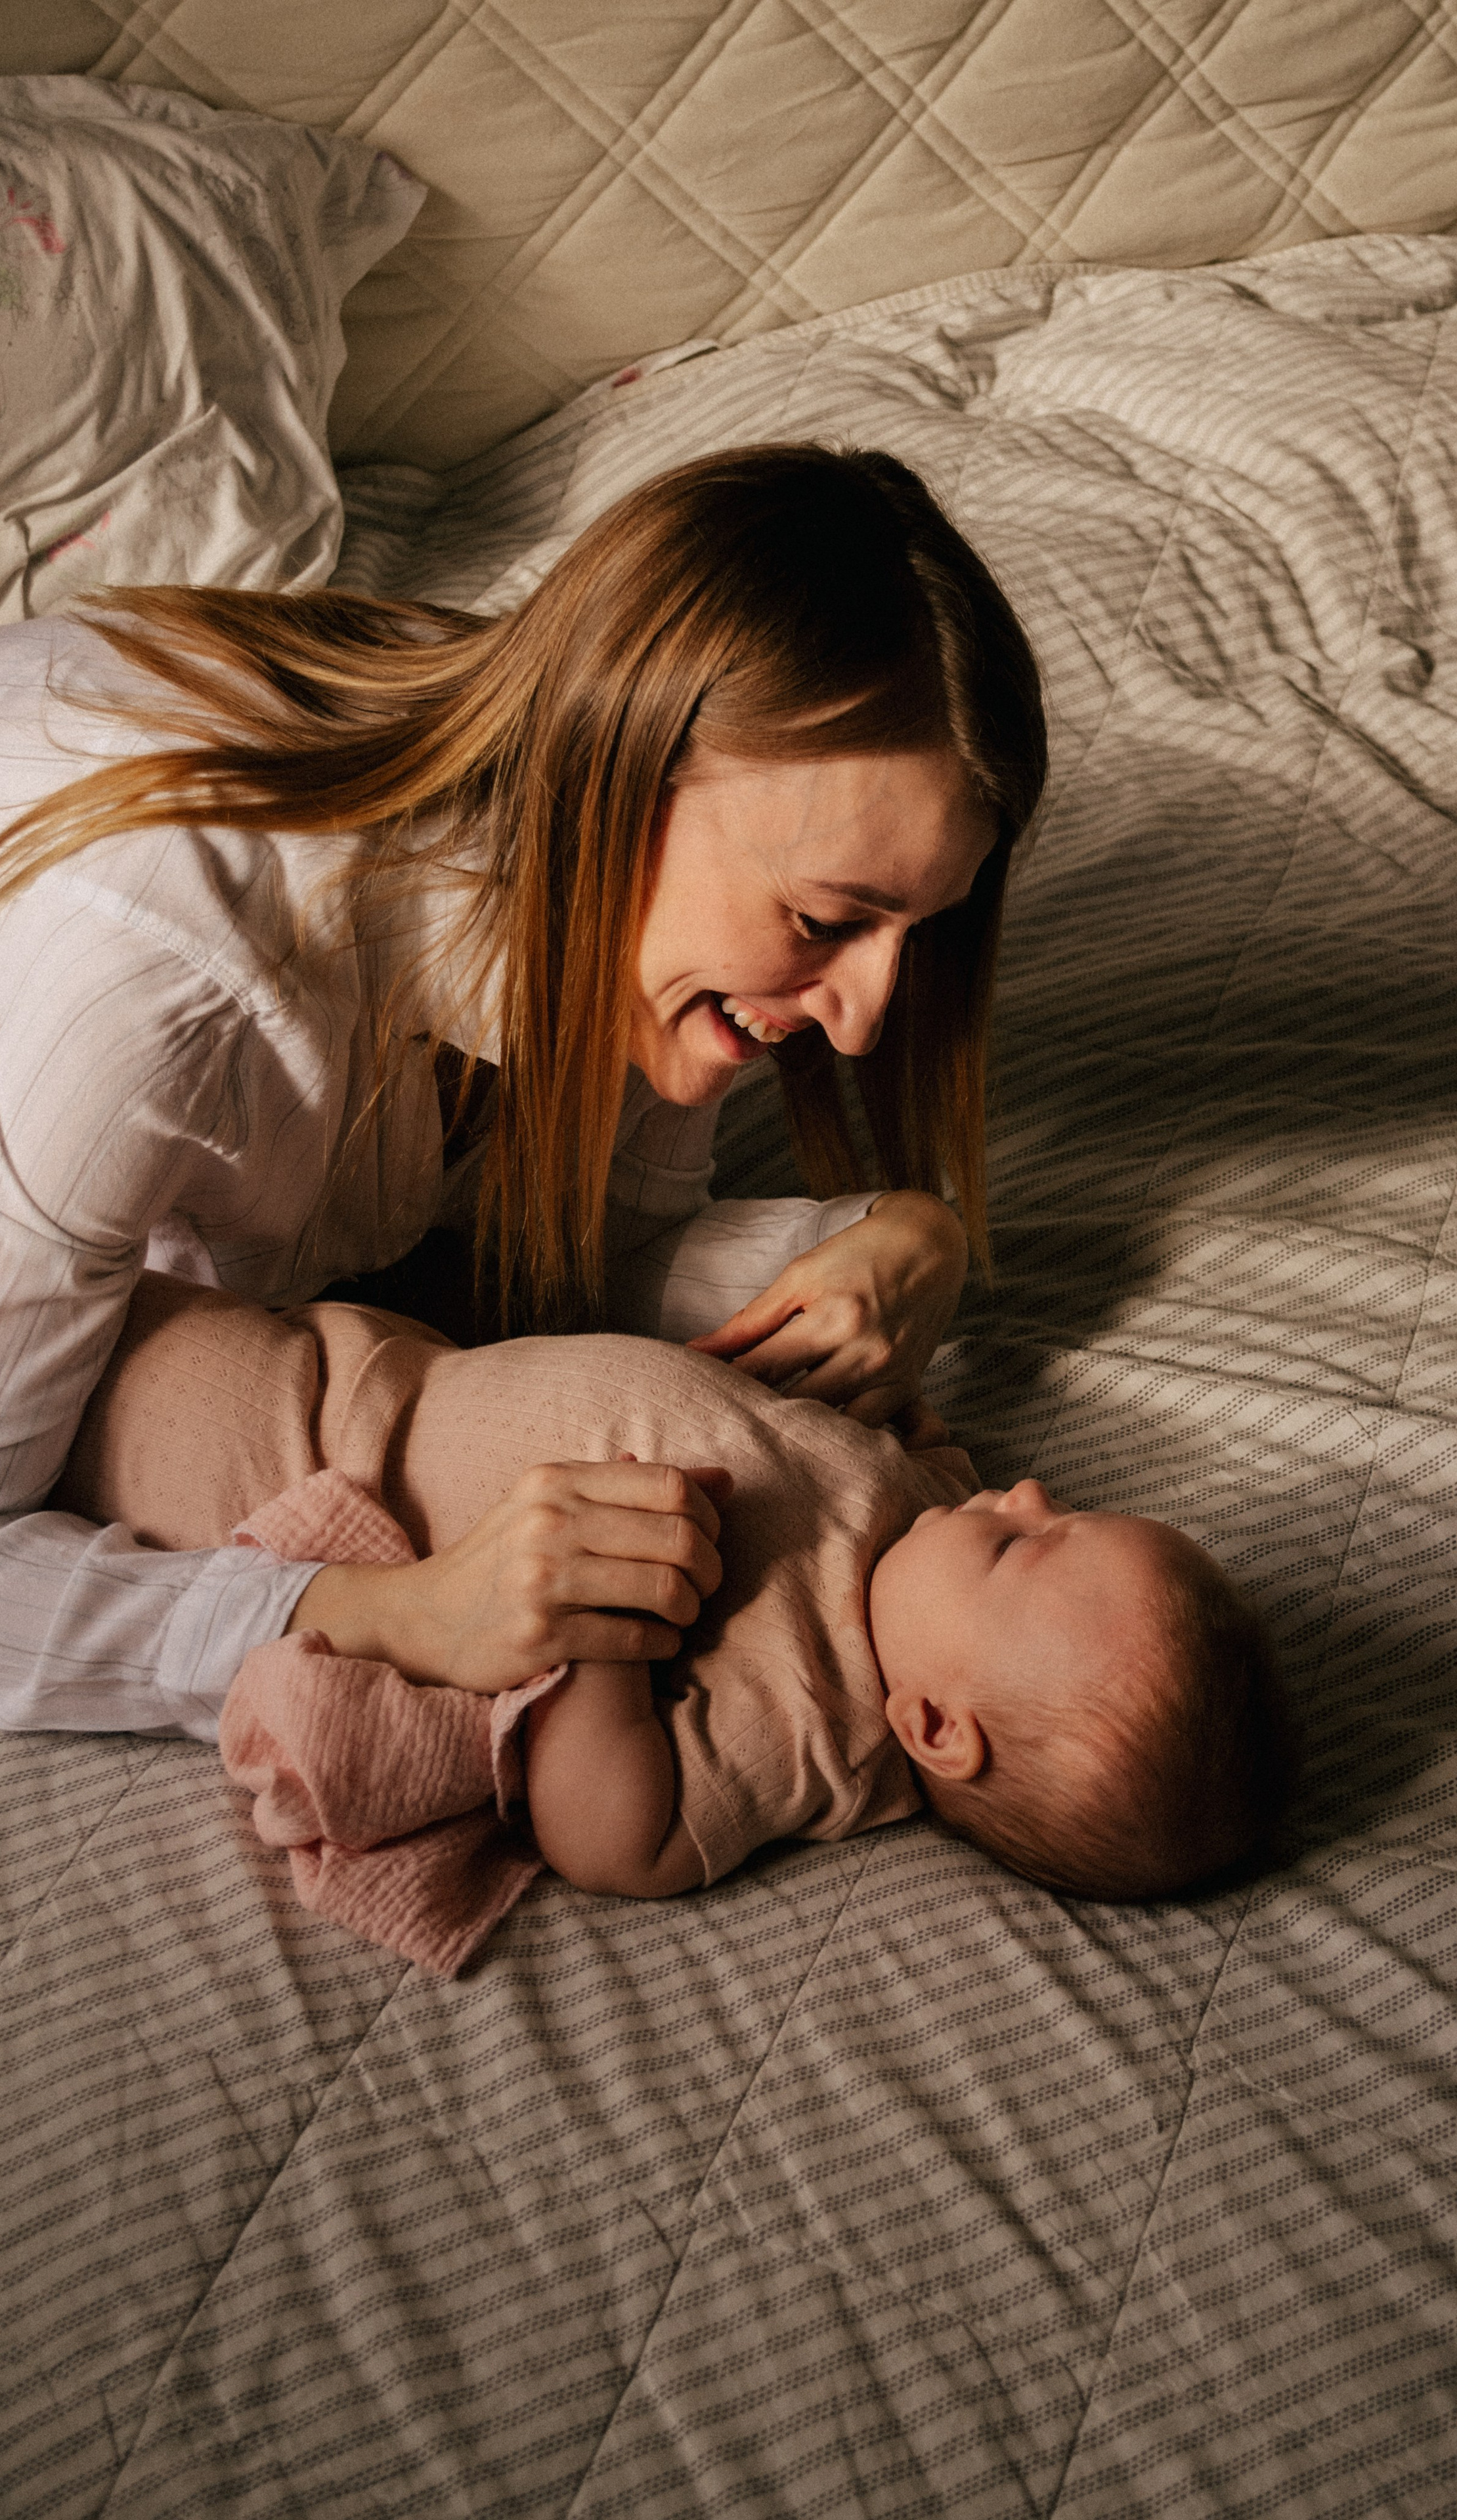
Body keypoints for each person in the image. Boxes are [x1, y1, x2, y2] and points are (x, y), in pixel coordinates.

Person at [0, 444, 1047, 1741]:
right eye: (828, 920)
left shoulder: (641, 900)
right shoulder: (150, 991)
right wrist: (392, 1611)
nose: (863, 1019)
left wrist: (899, 1235)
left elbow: (599, 1246)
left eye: (915, 934)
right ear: (619, 785)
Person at [56, 1277, 1286, 1906]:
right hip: (366, 1361)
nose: (1026, 1492)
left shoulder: (815, 1725)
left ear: (931, 1726)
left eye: (1023, 1548)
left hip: (292, 1460)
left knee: (91, 1365)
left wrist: (611, 1642)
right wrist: (898, 1429)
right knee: (114, 1301)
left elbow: (618, 1839)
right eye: (1059, 1509)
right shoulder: (923, 1529)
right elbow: (893, 1450)